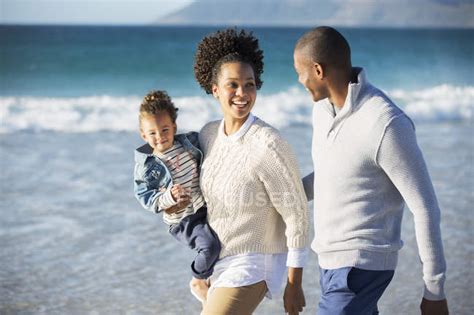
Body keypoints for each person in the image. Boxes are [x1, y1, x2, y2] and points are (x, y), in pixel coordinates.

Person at [293, 26, 449, 314]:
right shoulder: (322, 111)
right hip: (329, 262)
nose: (299, 81)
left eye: (299, 72)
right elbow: (333, 176)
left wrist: (435, 291)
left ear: (317, 70)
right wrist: (282, 197)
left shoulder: (385, 123)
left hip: (361, 264)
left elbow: (425, 206)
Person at [191, 28, 310, 315]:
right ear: (215, 89)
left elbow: (297, 215)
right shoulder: (208, 134)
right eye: (232, 85)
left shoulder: (268, 143)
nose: (242, 94)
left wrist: (294, 284)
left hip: (255, 260)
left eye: (250, 84)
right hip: (218, 261)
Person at [133, 90, 221, 301]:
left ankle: (214, 280)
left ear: (174, 127)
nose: (160, 136)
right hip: (183, 220)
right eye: (152, 133)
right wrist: (170, 198)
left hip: (204, 206)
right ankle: (198, 279)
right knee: (210, 247)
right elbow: (146, 197)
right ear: (143, 135)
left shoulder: (188, 144)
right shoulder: (148, 166)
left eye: (165, 129)